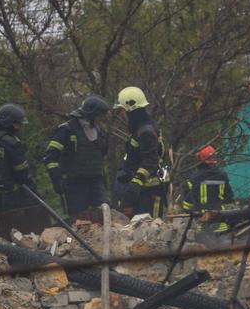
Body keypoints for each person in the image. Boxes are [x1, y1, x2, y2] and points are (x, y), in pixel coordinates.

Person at [43, 95, 110, 219]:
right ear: (91, 114)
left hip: (96, 182)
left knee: (106, 215)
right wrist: (57, 180)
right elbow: (50, 157)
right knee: (80, 221)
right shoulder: (67, 130)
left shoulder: (100, 132)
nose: (101, 119)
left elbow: (101, 155)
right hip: (75, 184)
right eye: (99, 116)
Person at [114, 86, 168, 218]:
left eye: (122, 110)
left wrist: (137, 181)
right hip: (143, 191)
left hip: (149, 192)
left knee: (149, 231)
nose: (122, 113)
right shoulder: (141, 128)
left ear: (130, 109)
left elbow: (151, 160)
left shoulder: (145, 132)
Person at [179, 145, 236, 238]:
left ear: (200, 159)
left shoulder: (193, 178)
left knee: (200, 245)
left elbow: (187, 204)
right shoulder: (222, 176)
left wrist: (189, 212)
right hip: (221, 222)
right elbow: (229, 199)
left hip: (200, 223)